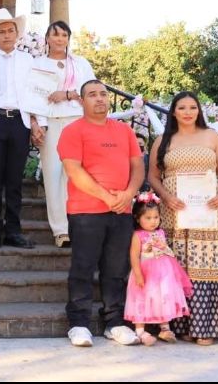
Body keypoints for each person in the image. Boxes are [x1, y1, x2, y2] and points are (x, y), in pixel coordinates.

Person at [57, 79, 145, 348]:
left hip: (121, 211)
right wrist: (107, 197)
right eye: (92, 95)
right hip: (86, 211)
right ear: (82, 101)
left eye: (103, 94)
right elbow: (74, 170)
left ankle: (114, 323)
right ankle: (78, 324)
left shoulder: (124, 131)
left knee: (116, 270)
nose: (99, 99)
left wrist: (128, 194)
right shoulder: (73, 131)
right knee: (83, 268)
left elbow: (138, 167)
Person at [148, 91, 218, 345]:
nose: (188, 112)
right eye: (182, 107)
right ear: (173, 112)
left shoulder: (212, 136)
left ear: (199, 111)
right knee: (178, 265)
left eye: (193, 107)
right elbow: (153, 176)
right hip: (174, 211)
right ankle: (181, 326)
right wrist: (165, 196)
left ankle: (205, 327)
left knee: (207, 263)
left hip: (207, 211)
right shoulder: (163, 140)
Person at [0, 8, 45, 250]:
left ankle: (13, 230)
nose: (6, 35)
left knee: (14, 181)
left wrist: (37, 123)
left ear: (16, 33)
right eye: (1, 31)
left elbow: (35, 93)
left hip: (20, 122)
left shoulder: (27, 60)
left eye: (10, 30)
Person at [37, 21, 96, 248]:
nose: (60, 39)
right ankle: (61, 230)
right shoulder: (39, 63)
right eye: (55, 35)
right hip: (50, 122)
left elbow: (92, 91)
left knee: (78, 176)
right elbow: (33, 96)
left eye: (64, 35)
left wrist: (68, 94)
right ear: (47, 38)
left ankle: (80, 225)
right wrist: (39, 124)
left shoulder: (80, 64)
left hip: (77, 122)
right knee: (53, 176)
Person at [125, 191, 193, 346]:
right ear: (138, 218)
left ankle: (165, 328)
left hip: (163, 273)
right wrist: (138, 274)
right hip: (146, 273)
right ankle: (140, 331)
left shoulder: (160, 232)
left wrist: (164, 249)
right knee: (142, 298)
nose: (153, 221)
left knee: (162, 298)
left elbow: (165, 251)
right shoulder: (138, 235)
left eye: (156, 217)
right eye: (148, 218)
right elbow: (134, 256)